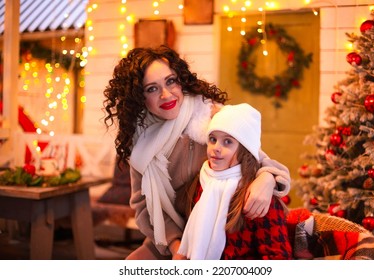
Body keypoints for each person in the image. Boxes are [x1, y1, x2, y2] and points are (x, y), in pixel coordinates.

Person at [102, 45, 291, 260]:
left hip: (223, 230)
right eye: (152, 89)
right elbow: (144, 208)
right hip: (170, 235)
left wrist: (266, 179)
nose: (166, 94)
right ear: (139, 97)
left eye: (170, 81)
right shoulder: (140, 141)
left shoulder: (210, 117)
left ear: (180, 80)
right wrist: (176, 246)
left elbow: (259, 160)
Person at [177, 103, 293, 260]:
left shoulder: (259, 196)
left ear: (245, 149)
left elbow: (278, 257)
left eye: (227, 142)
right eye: (212, 139)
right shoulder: (201, 183)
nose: (216, 148)